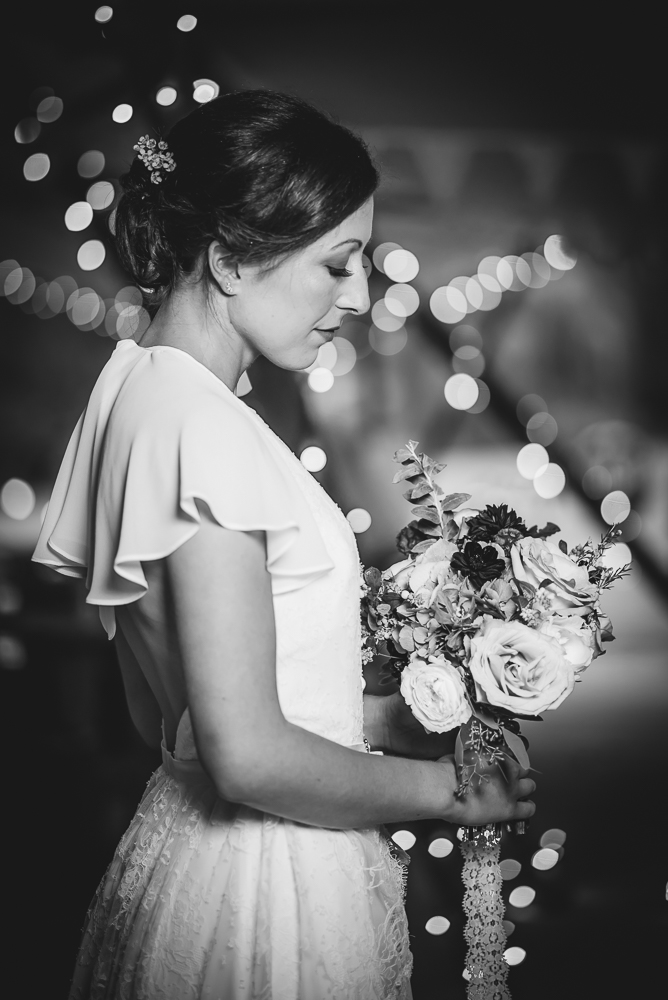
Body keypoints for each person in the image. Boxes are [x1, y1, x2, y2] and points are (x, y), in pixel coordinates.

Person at [33, 90, 535, 1000]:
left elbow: (168, 723)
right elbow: (249, 757)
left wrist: (402, 722)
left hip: (188, 863)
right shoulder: (206, 431)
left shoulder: (135, 393)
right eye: (337, 265)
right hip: (269, 900)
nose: (359, 296)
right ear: (228, 260)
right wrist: (451, 799)